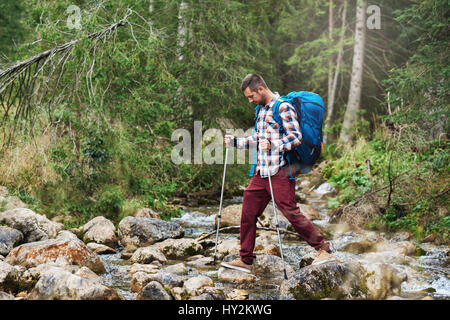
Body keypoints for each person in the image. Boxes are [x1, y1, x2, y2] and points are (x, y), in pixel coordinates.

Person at [221, 73, 334, 274]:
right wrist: (235, 142)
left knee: (290, 211)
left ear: (261, 89)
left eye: (251, 96)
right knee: (248, 213)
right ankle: (246, 260)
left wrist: (274, 144)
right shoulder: (261, 110)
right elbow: (257, 139)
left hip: (279, 171)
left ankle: (323, 249)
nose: (249, 101)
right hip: (261, 172)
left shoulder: (283, 107)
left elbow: (296, 137)